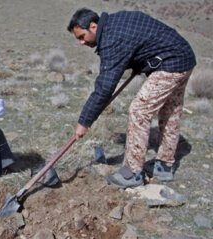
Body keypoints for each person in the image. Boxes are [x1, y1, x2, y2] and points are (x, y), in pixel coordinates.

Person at [67, 8, 196, 188]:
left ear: (93, 26)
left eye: (81, 36)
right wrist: (138, 62)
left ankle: (132, 173)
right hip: (184, 56)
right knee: (170, 113)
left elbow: (104, 88)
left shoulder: (111, 40)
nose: (81, 42)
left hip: (171, 63)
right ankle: (165, 165)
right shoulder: (116, 21)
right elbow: (141, 36)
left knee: (138, 111)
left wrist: (84, 121)